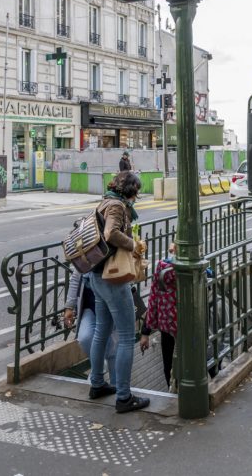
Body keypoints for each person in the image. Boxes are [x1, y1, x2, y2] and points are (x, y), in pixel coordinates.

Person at [88, 171, 150, 413]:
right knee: (126, 336)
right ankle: (124, 397)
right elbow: (110, 234)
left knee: (101, 330)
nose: (137, 197)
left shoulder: (105, 200)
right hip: (111, 277)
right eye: (137, 192)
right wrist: (133, 244)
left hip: (95, 275)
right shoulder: (116, 206)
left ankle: (97, 384)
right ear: (131, 190)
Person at [63, 271, 117, 386]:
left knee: (113, 348)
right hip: (90, 305)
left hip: (112, 304)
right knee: (85, 337)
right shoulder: (86, 255)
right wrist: (69, 306)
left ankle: (117, 388)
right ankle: (99, 366)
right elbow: (76, 277)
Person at [140, 245, 177, 389]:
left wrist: (145, 332)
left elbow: (153, 299)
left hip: (167, 325)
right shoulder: (197, 268)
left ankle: (171, 391)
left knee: (168, 364)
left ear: (172, 250)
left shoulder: (162, 269)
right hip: (188, 327)